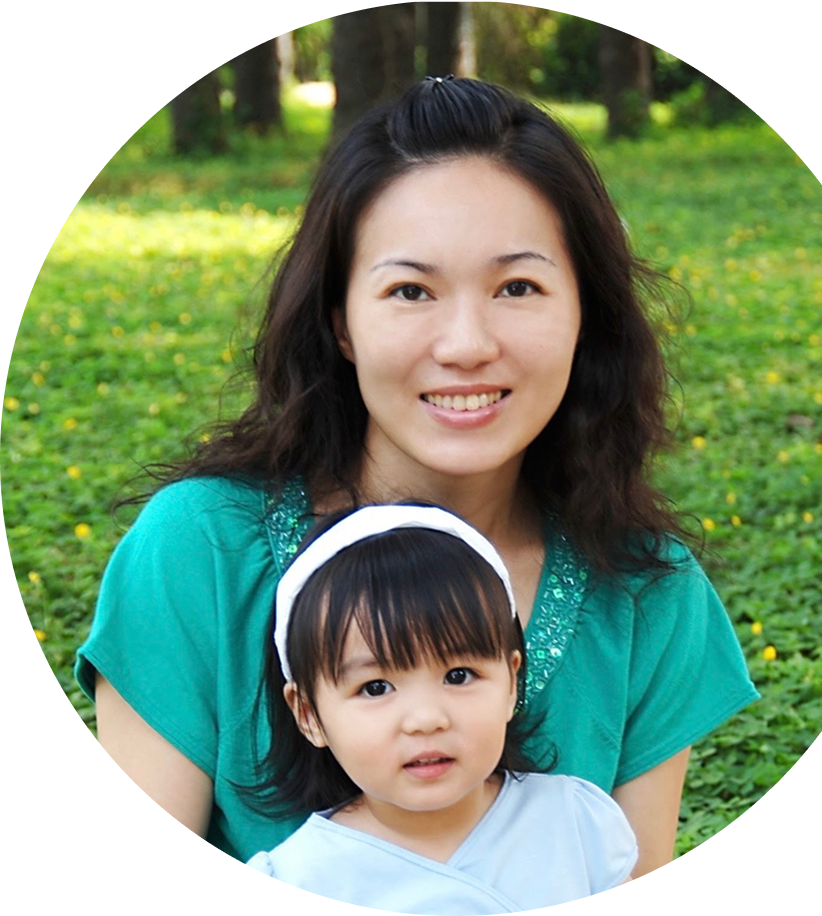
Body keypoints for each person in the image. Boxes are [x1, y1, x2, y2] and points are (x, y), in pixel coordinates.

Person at [75, 76, 759, 914]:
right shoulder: (198, 552)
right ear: (340, 322)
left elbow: (629, 898)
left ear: (586, 312)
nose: (467, 344)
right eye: (410, 291)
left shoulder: (648, 595)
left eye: (518, 288)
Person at [245, 502, 638, 911]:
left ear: (510, 681)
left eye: (458, 676)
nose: (426, 719)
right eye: (376, 687)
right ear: (308, 715)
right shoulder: (290, 884)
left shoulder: (577, 823)